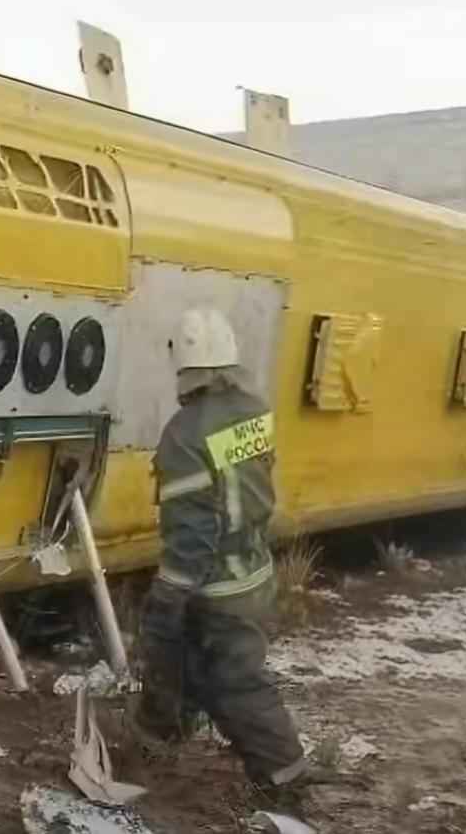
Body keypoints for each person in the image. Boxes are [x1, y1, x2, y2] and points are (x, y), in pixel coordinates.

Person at [133, 307, 307, 799]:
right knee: (188, 660)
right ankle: (155, 744)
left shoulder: (185, 432)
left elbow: (193, 529)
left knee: (230, 679)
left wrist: (170, 591)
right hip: (254, 567)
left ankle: (285, 777)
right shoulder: (255, 411)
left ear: (183, 366)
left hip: (218, 582)